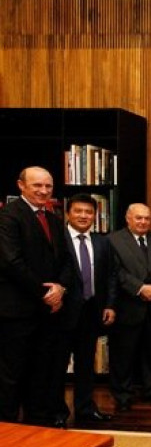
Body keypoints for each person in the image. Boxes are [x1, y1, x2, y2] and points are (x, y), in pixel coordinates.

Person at [0, 166, 73, 425]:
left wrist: (61, 288)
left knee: (42, 371)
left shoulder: (53, 219)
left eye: (48, 186)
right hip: (17, 312)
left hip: (48, 312)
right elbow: (11, 262)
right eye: (37, 186)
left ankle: (38, 425)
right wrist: (46, 293)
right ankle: (8, 428)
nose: (44, 191)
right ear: (21, 185)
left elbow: (66, 260)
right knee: (12, 374)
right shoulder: (9, 216)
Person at [108, 203, 151, 411]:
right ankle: (123, 395)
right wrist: (139, 288)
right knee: (123, 355)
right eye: (138, 218)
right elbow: (115, 271)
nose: (143, 222)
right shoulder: (113, 241)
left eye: (146, 218)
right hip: (129, 307)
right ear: (128, 219)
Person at [56, 193, 117, 424]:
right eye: (78, 211)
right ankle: (59, 412)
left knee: (85, 364)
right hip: (62, 312)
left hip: (92, 311)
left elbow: (111, 275)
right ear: (68, 213)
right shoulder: (58, 239)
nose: (83, 216)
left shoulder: (103, 241)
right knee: (58, 365)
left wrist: (110, 304)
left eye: (88, 212)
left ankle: (85, 409)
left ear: (95, 215)